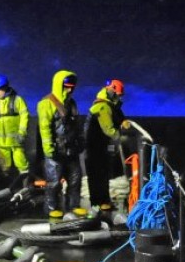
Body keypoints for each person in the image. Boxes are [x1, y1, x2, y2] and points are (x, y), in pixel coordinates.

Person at [37, 69, 84, 217]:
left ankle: (73, 205)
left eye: (72, 87)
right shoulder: (46, 103)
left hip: (71, 149)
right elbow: (44, 128)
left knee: (75, 179)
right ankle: (51, 208)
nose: (69, 90)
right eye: (66, 87)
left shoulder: (72, 103)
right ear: (59, 85)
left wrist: (81, 141)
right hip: (55, 150)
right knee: (54, 181)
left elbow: (77, 125)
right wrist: (48, 148)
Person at [84, 79, 130, 211]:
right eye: (118, 95)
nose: (119, 98)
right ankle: (97, 203)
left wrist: (123, 120)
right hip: (94, 148)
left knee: (102, 175)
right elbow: (108, 130)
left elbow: (117, 114)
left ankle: (102, 201)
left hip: (100, 147)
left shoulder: (109, 105)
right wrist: (121, 137)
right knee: (97, 176)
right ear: (112, 93)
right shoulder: (102, 107)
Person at [0, 74, 30, 187]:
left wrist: (22, 132)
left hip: (16, 141)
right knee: (4, 166)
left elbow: (24, 116)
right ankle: (6, 187)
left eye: (0, 89)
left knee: (22, 163)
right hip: (1, 143)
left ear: (6, 88)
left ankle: (26, 186)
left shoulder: (17, 100)